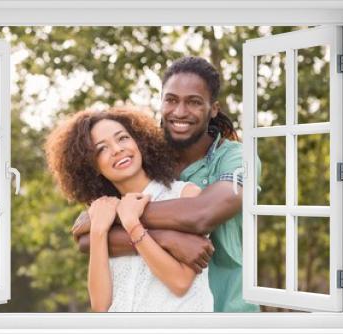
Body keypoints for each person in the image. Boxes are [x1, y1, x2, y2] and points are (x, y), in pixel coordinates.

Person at [73, 56, 260, 312]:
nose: (180, 112)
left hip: (228, 311)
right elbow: (87, 242)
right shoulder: (146, 156)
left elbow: (201, 213)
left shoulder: (237, 157)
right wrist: (168, 238)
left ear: (213, 108)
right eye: (171, 100)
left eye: (194, 102)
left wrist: (116, 216)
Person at [45, 108, 214, 312]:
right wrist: (99, 230)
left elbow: (180, 283)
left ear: (139, 142)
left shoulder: (186, 195)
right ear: (92, 166)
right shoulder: (103, 213)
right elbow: (101, 306)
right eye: (101, 149)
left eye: (123, 138)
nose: (117, 149)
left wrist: (133, 225)